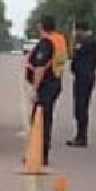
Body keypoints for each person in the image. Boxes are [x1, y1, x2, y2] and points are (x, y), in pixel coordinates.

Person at [25, 14, 69, 164]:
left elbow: (40, 68)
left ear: (41, 26)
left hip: (46, 86)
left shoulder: (46, 43)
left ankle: (38, 154)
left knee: (39, 120)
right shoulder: (59, 39)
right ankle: (41, 153)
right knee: (45, 119)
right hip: (55, 83)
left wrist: (35, 89)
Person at [68, 20, 96, 147]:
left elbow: (71, 54)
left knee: (81, 108)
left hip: (84, 78)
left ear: (81, 30)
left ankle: (82, 137)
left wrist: (72, 39)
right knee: (80, 107)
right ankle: (80, 135)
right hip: (83, 77)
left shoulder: (88, 42)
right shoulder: (90, 41)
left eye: (77, 30)